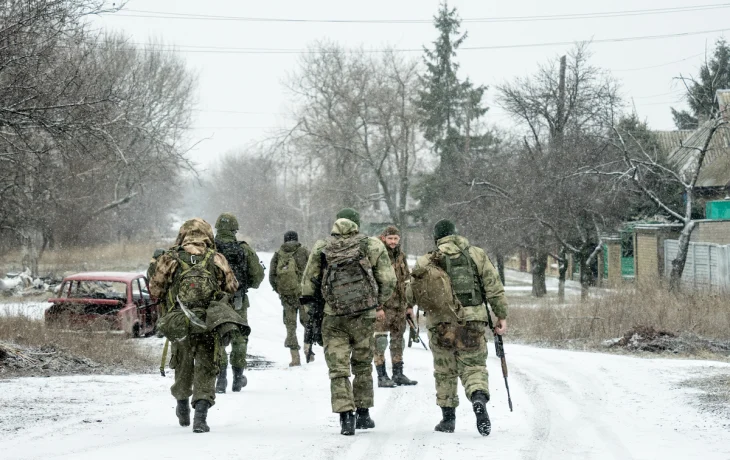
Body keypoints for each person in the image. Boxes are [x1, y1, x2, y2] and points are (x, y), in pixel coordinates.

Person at [301, 208, 396, 436]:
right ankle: (363, 414)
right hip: (364, 315)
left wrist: (313, 313)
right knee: (363, 364)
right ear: (357, 224)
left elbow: (307, 284)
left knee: (339, 368)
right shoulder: (371, 245)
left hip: (333, 316)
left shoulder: (322, 247)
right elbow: (389, 280)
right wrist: (374, 302)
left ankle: (346, 416)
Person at [412, 219, 508, 437]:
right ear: (456, 233)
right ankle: (477, 397)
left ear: (436, 238)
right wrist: (501, 315)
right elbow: (494, 288)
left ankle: (448, 419)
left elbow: (412, 293)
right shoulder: (476, 254)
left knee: (445, 370)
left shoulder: (427, 260)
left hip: (440, 323)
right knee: (473, 366)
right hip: (473, 320)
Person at [149, 218, 239, 433]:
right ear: (208, 235)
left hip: (180, 322)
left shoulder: (170, 258)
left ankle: (181, 403)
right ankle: (201, 416)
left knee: (182, 363)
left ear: (183, 235)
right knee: (207, 367)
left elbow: (155, 290)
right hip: (208, 322)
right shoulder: (216, 258)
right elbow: (232, 287)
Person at [213, 212, 265, 393]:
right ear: (235, 229)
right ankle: (237, 377)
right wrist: (242, 285)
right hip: (238, 300)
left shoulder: (209, 249)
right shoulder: (244, 249)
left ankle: (220, 379)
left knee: (217, 337)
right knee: (239, 338)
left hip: (215, 303)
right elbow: (257, 278)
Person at [374, 226, 417, 387]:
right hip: (383, 307)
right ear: (384, 238)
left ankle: (398, 374)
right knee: (380, 341)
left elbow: (407, 281)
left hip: (400, 306)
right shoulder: (377, 254)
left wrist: (409, 305)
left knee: (398, 340)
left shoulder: (401, 256)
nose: (393, 242)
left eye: (395, 238)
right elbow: (373, 283)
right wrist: (377, 306)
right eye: (390, 238)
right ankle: (382, 375)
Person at [269, 231, 311, 366]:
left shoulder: (278, 254)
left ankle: (295, 357)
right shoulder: (304, 251)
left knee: (290, 326)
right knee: (308, 323)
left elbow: (272, 276)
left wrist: (280, 290)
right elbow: (313, 271)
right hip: (304, 294)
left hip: (287, 296)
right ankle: (308, 351)